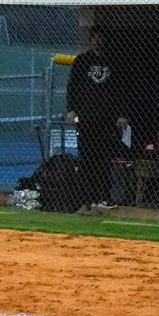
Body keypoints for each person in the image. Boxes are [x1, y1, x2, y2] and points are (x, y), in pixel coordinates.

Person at [66, 27, 129, 208]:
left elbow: (123, 91)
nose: (98, 42)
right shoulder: (82, 61)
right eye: (95, 38)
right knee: (86, 158)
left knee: (105, 158)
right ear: (90, 40)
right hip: (86, 118)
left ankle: (103, 196)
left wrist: (123, 115)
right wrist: (72, 110)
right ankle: (86, 198)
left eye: (101, 38)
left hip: (108, 119)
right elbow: (73, 87)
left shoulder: (116, 62)